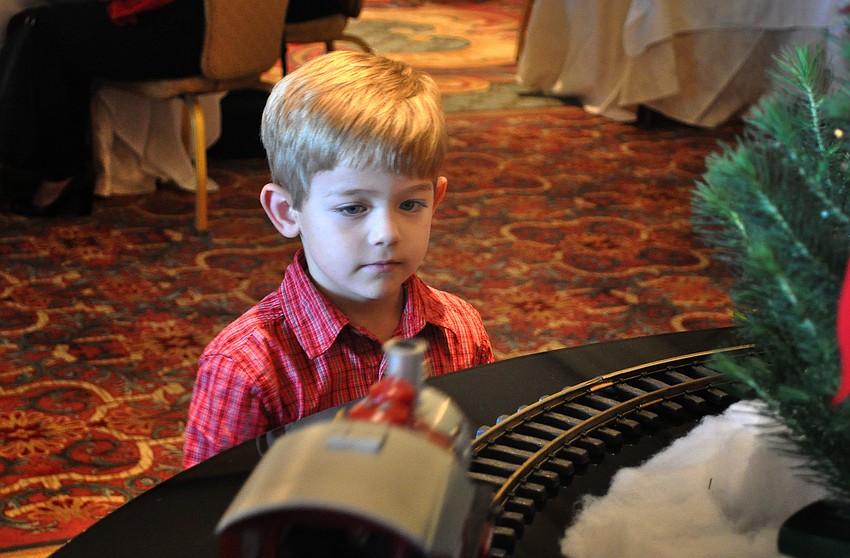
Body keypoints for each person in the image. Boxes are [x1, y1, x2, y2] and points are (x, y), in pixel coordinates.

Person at [182, 50, 494, 467]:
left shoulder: (461, 330)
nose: (386, 234)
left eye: (410, 204)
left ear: (436, 200)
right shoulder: (246, 368)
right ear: (286, 211)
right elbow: (209, 511)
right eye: (353, 208)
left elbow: (486, 455)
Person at [0, 0, 205, 216]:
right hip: (214, 35)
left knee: (40, 31)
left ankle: (59, 173)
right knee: (34, 25)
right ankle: (52, 169)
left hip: (179, 33)